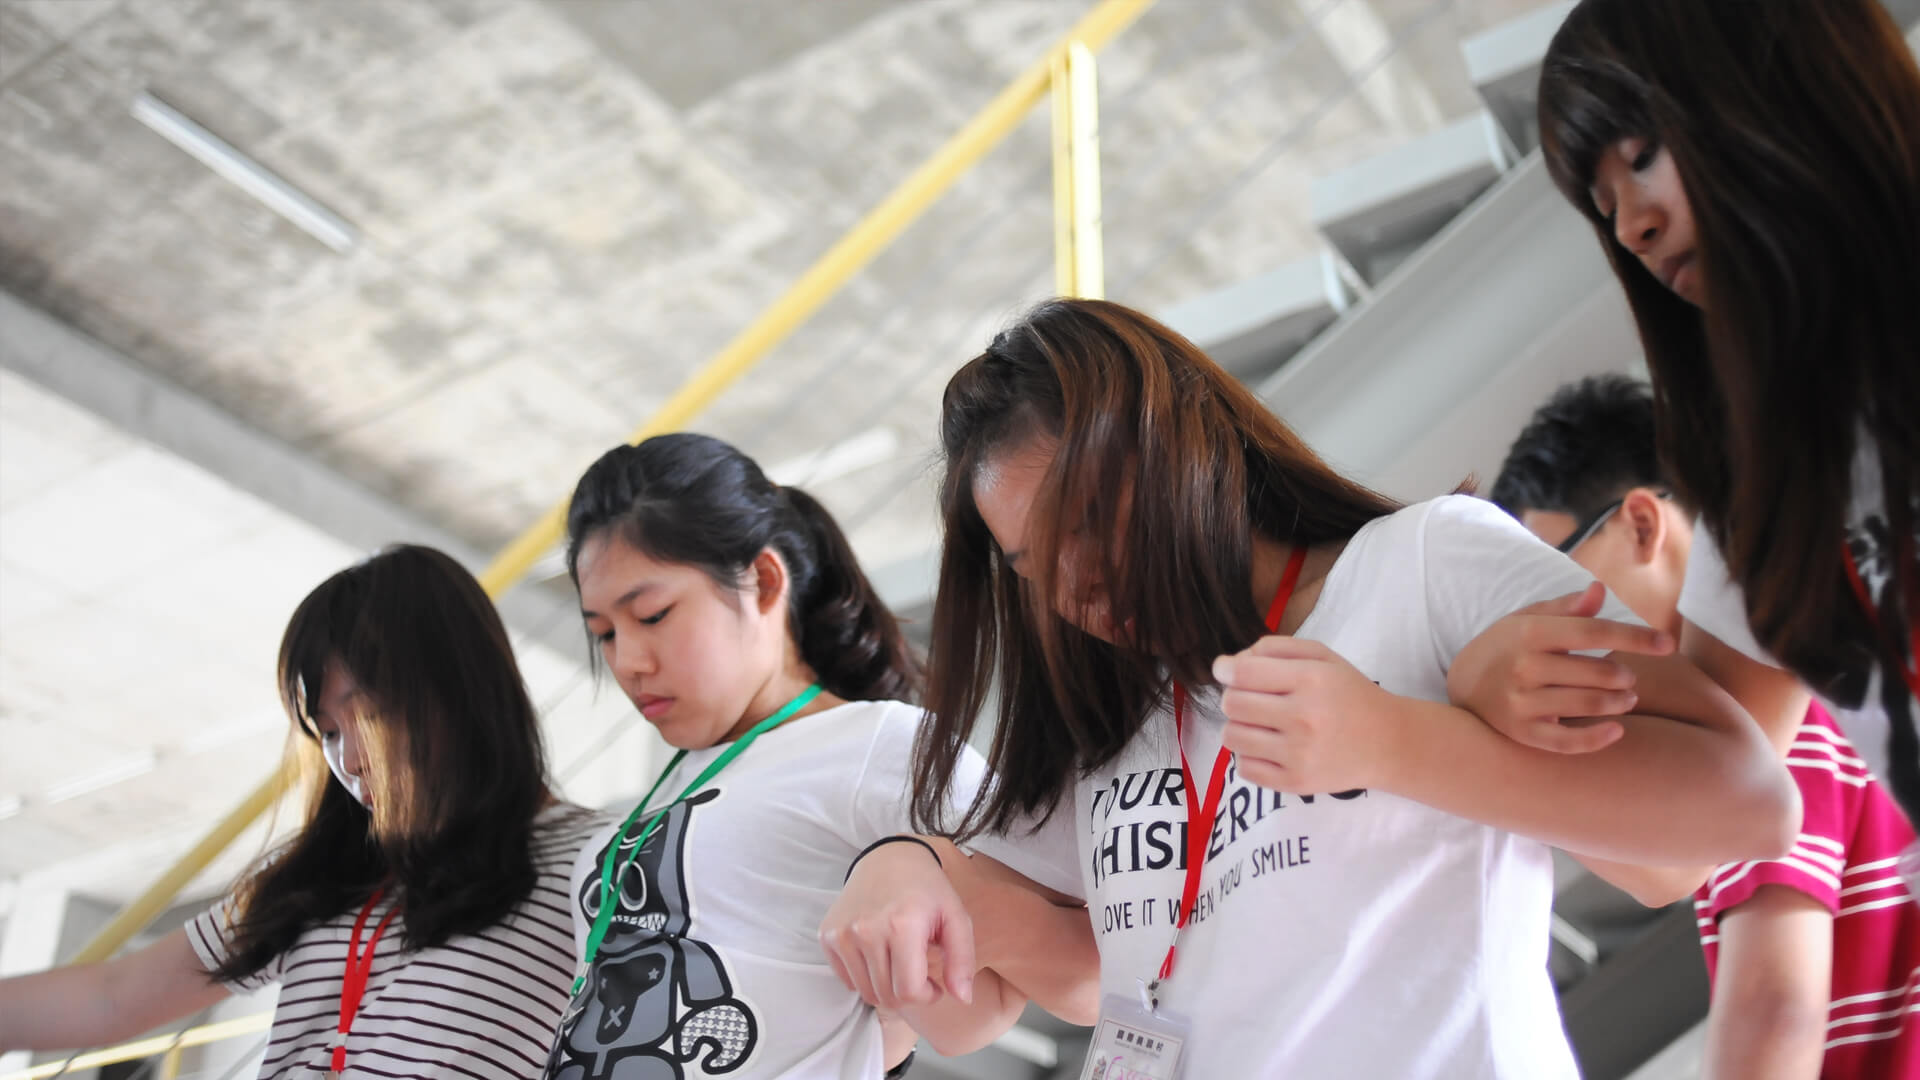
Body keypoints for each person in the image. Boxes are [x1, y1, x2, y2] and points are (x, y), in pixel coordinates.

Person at [820, 298, 1797, 1078]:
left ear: (1174, 443)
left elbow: (1723, 817)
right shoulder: (1116, 718)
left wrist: (1394, 740)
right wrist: (901, 864)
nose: (1076, 585)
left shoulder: (1423, 563)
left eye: (1085, 522)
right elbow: (1048, 979)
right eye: (1035, 567)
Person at [544, 434, 1097, 1080]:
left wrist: (920, 869)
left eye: (653, 615)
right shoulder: (672, 782)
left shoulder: (877, 743)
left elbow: (1087, 958)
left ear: (763, 581)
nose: (628, 663)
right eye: (604, 634)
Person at [0, 545, 611, 1078]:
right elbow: (115, 996)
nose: (349, 759)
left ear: (455, 687)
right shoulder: (328, 873)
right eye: (328, 732)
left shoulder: (599, 861)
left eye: (367, 713)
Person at [1535, 0, 1920, 823]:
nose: (1631, 227)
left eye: (1644, 156)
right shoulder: (1767, 477)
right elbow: (1714, 793)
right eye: (1604, 206)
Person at [1494, 374, 1918, 1079]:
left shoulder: (1753, 733)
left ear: (1641, 523)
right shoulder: (1822, 678)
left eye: (1549, 580)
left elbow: (1773, 1010)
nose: (1552, 627)